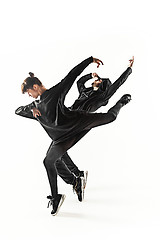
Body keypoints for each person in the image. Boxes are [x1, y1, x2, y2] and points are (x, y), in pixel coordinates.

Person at [15, 56, 131, 216]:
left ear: (35, 86)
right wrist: (30, 110)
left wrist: (90, 60)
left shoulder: (56, 93)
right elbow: (17, 110)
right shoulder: (35, 107)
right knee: (49, 161)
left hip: (78, 121)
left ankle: (121, 103)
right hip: (62, 137)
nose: (29, 97)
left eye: (29, 93)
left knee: (110, 117)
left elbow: (72, 75)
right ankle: (62, 192)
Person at [56, 57, 134, 197]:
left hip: (82, 122)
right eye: (97, 78)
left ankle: (76, 178)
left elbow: (117, 84)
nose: (97, 79)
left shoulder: (102, 97)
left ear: (103, 84)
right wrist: (90, 75)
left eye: (99, 79)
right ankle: (78, 175)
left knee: (58, 150)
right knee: (58, 150)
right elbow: (79, 82)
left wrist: (129, 69)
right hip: (69, 117)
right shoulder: (84, 91)